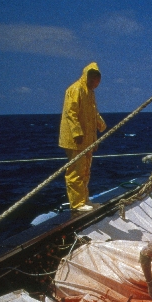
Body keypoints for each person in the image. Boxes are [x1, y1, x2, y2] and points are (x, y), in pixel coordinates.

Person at [59, 62, 106, 212]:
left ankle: (84, 200)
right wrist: (77, 132)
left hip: (87, 140)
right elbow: (70, 113)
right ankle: (77, 204)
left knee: (85, 170)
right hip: (75, 140)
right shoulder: (76, 89)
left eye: (96, 80)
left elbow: (93, 113)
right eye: (92, 79)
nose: (94, 83)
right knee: (76, 172)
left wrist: (100, 125)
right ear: (87, 76)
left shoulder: (89, 92)